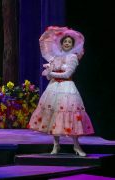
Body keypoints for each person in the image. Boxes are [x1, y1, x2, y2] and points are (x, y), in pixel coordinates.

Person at [28, 26, 94, 157]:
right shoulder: (55, 57)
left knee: (70, 115)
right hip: (53, 88)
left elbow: (67, 74)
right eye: (65, 42)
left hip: (67, 88)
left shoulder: (72, 57)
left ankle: (76, 145)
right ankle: (56, 145)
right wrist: (48, 72)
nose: (67, 44)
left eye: (70, 42)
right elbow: (48, 76)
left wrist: (51, 72)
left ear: (72, 45)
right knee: (54, 115)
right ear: (61, 43)